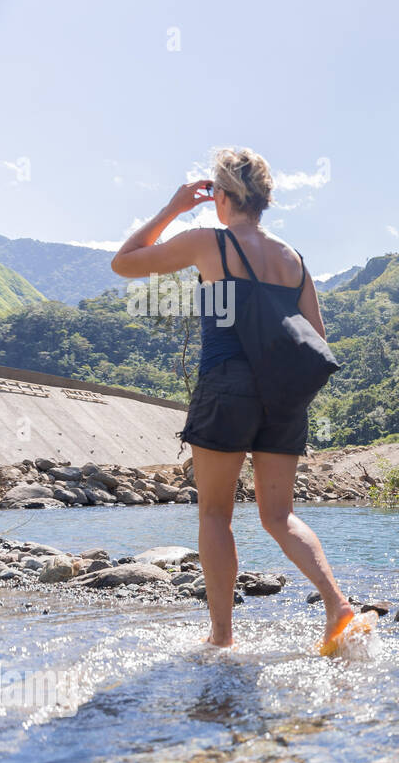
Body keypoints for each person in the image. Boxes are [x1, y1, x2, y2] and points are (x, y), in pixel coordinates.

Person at [111, 147, 365, 652]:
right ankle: (339, 607)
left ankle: (222, 637)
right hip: (284, 396)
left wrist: (170, 210)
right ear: (265, 199)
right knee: (279, 516)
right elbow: (316, 336)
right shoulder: (294, 260)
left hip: (226, 384)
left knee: (214, 515)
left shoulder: (210, 243)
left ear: (222, 197)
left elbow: (125, 264)